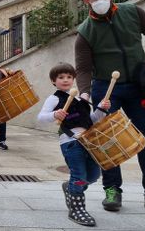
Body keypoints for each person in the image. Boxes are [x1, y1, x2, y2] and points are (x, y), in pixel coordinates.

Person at [75, 0, 145, 211]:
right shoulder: (84, 32)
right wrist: (85, 95)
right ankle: (112, 190)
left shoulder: (133, 13)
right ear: (86, 0)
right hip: (105, 88)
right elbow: (83, 68)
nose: (101, 1)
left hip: (140, 85)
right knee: (107, 141)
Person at [37, 63, 110, 226]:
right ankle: (77, 209)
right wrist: (55, 114)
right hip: (70, 142)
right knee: (79, 175)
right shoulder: (55, 98)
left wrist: (102, 110)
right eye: (61, 77)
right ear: (53, 81)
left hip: (88, 141)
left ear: (73, 79)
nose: (65, 80)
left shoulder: (81, 100)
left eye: (69, 77)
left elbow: (92, 121)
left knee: (93, 176)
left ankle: (71, 188)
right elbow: (41, 118)